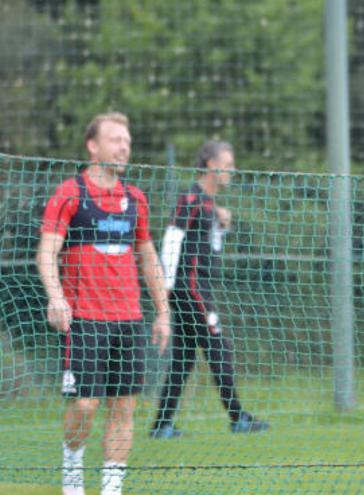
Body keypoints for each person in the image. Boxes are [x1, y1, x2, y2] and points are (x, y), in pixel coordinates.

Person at [36, 112, 171, 495]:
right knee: (85, 406)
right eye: (115, 139)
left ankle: (112, 488)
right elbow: (48, 250)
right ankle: (73, 470)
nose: (124, 146)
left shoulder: (135, 199)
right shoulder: (70, 193)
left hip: (129, 320)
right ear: (93, 147)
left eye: (126, 140)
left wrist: (162, 311)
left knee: (124, 407)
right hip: (84, 320)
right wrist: (55, 295)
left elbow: (147, 257)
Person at [150, 140, 269, 438]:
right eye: (228, 165)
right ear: (211, 165)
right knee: (219, 347)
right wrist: (165, 287)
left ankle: (162, 424)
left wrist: (221, 225)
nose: (232, 171)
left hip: (200, 287)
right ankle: (238, 417)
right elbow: (172, 239)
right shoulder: (190, 198)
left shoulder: (208, 204)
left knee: (184, 356)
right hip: (191, 289)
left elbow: (210, 247)